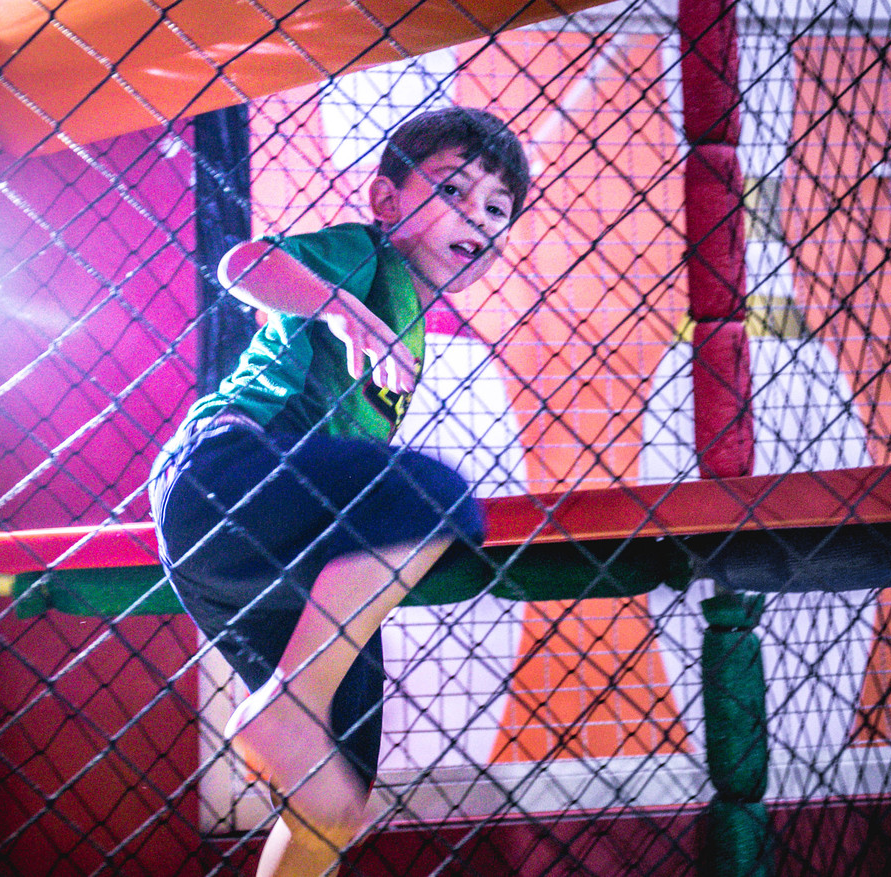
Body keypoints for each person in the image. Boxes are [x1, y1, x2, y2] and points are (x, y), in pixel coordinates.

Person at [148, 106, 530, 876]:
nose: (476, 216)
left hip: (283, 559)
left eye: (497, 208)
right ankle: (290, 698)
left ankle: (295, 712)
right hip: (225, 474)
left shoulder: (413, 322)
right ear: (387, 200)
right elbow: (242, 265)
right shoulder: (364, 257)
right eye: (453, 190)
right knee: (436, 494)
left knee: (334, 796)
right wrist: (336, 304)